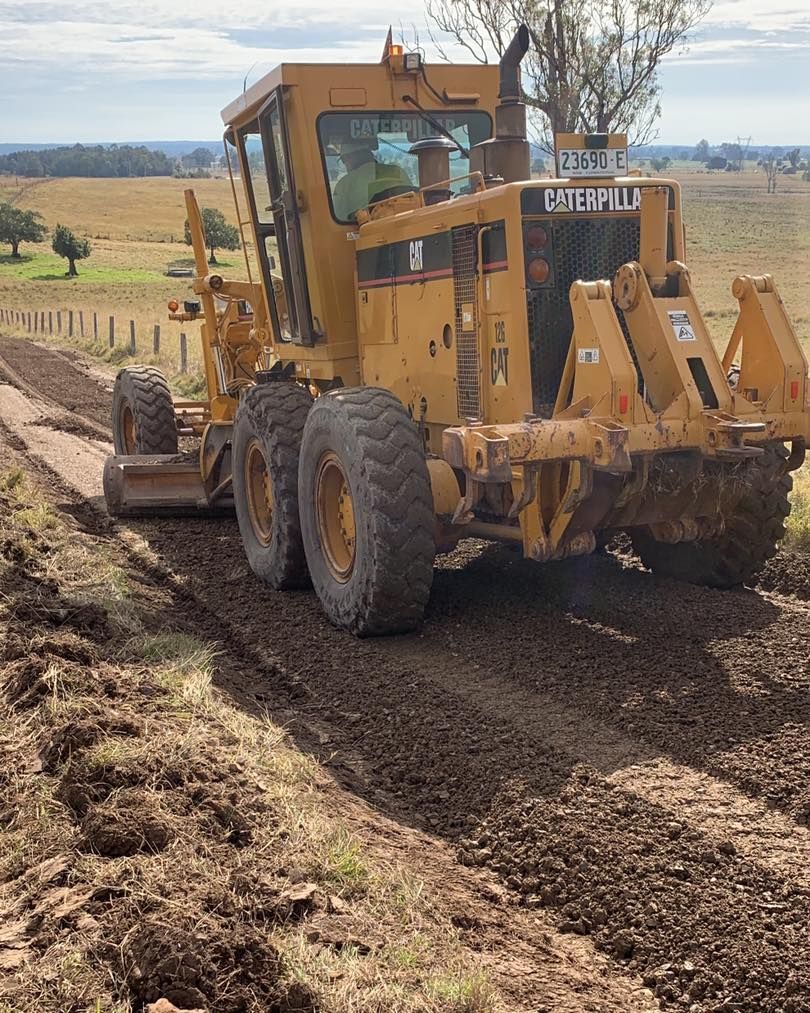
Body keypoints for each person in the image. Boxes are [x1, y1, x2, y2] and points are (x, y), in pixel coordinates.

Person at [332, 140, 414, 221]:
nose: (345, 164)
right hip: (408, 225)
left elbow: (339, 219)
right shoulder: (398, 171)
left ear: (349, 158)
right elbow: (414, 200)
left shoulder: (344, 185)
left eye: (343, 160)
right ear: (370, 154)